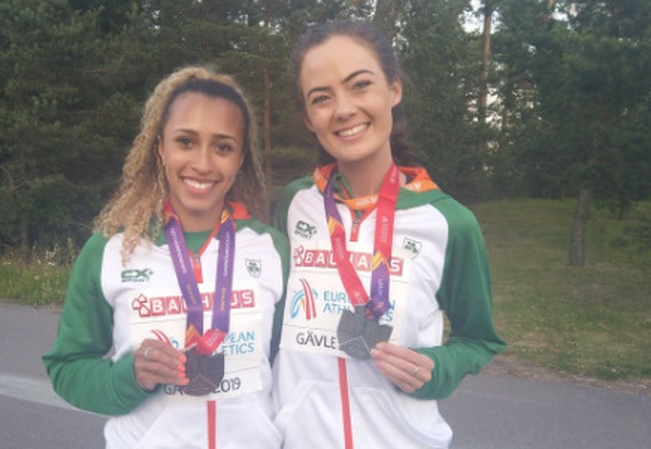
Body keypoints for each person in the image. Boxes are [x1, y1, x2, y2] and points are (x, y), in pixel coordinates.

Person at [271, 20, 506, 448]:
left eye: (359, 85)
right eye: (322, 98)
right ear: (309, 118)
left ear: (393, 90)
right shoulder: (294, 204)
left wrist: (437, 369)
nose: (343, 109)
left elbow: (478, 339)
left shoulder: (449, 223)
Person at [43, 66, 288, 449]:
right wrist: (131, 377)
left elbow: (287, 366)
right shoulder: (110, 250)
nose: (203, 164)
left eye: (222, 147)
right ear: (160, 147)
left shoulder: (272, 248)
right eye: (186, 141)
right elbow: (66, 368)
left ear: (240, 158)